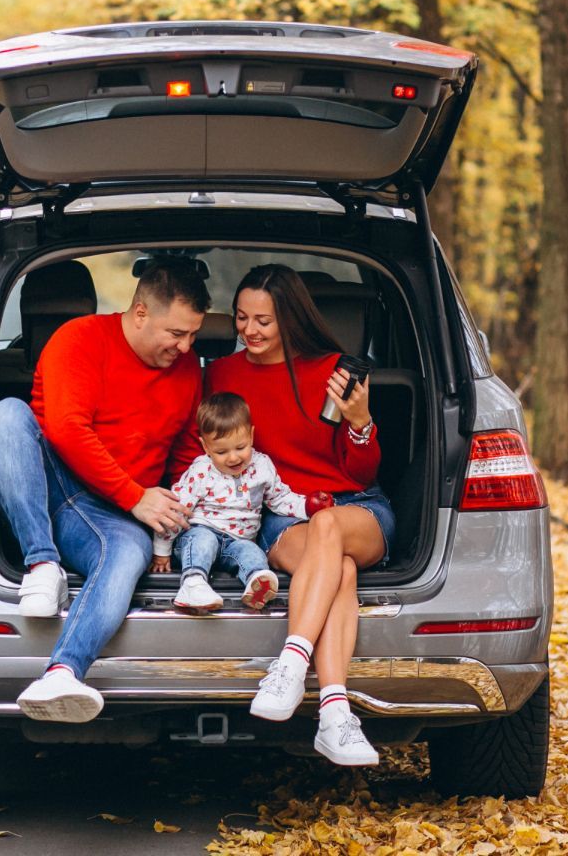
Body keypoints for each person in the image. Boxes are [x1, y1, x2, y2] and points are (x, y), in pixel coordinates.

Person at [177, 263, 395, 766]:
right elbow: (204, 449)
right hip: (281, 515)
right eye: (241, 318)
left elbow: (360, 474)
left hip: (355, 507)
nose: (249, 331)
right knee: (337, 569)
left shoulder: (336, 370)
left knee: (329, 526)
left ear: (290, 320)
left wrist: (360, 422)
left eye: (263, 321)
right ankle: (336, 715)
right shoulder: (223, 375)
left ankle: (292, 663)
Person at [0, 259, 209, 723]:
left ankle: (62, 672)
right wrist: (136, 496)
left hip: (113, 514)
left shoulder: (188, 372)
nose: (186, 348)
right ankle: (41, 563)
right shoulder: (79, 339)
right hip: (50, 480)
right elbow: (66, 430)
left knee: (127, 556)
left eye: (193, 336)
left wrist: (182, 515)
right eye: (176, 333)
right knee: (5, 415)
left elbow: (187, 454)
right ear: (140, 312)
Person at [152, 392, 299, 614]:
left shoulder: (262, 467)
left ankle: (257, 583)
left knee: (252, 552)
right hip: (201, 531)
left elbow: (280, 498)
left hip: (238, 541)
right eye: (221, 452)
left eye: (240, 448)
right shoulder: (201, 470)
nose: (233, 458)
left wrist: (307, 507)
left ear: (251, 435)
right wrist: (162, 549)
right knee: (202, 542)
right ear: (206, 447)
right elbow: (176, 509)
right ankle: (193, 583)